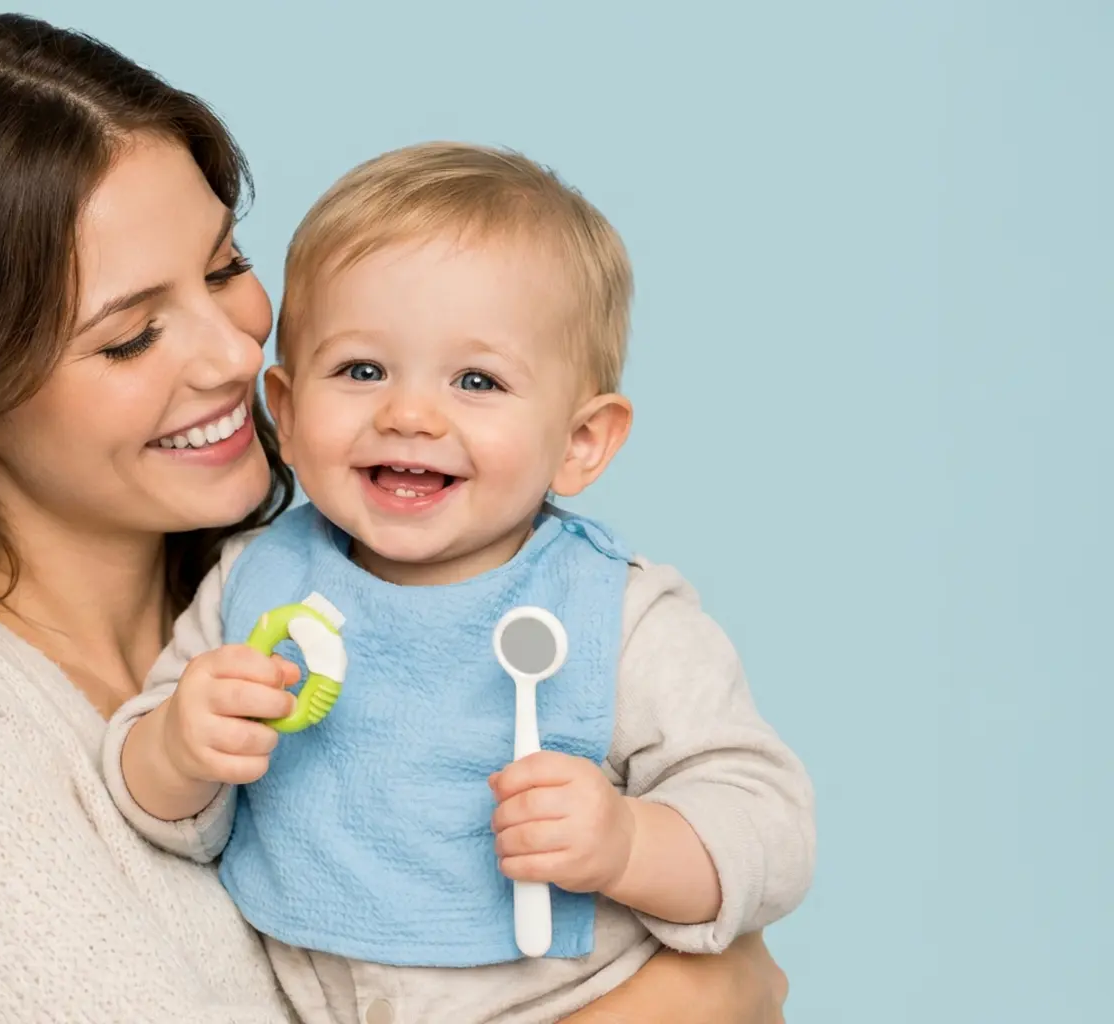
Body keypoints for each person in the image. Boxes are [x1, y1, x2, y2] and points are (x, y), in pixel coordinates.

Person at [0, 10, 793, 1023]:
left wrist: (660, 864)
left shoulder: (315, 585)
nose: (236, 355)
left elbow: (743, 816)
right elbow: (724, 984)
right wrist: (696, 998)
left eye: (226, 268)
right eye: (131, 335)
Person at [109, 142, 817, 1022]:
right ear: (283, 411)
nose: (409, 413)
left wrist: (632, 845)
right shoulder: (258, 580)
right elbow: (149, 801)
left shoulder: (618, 613)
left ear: (580, 442)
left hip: (570, 997)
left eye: (477, 380)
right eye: (362, 370)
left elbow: (770, 824)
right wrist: (178, 750)